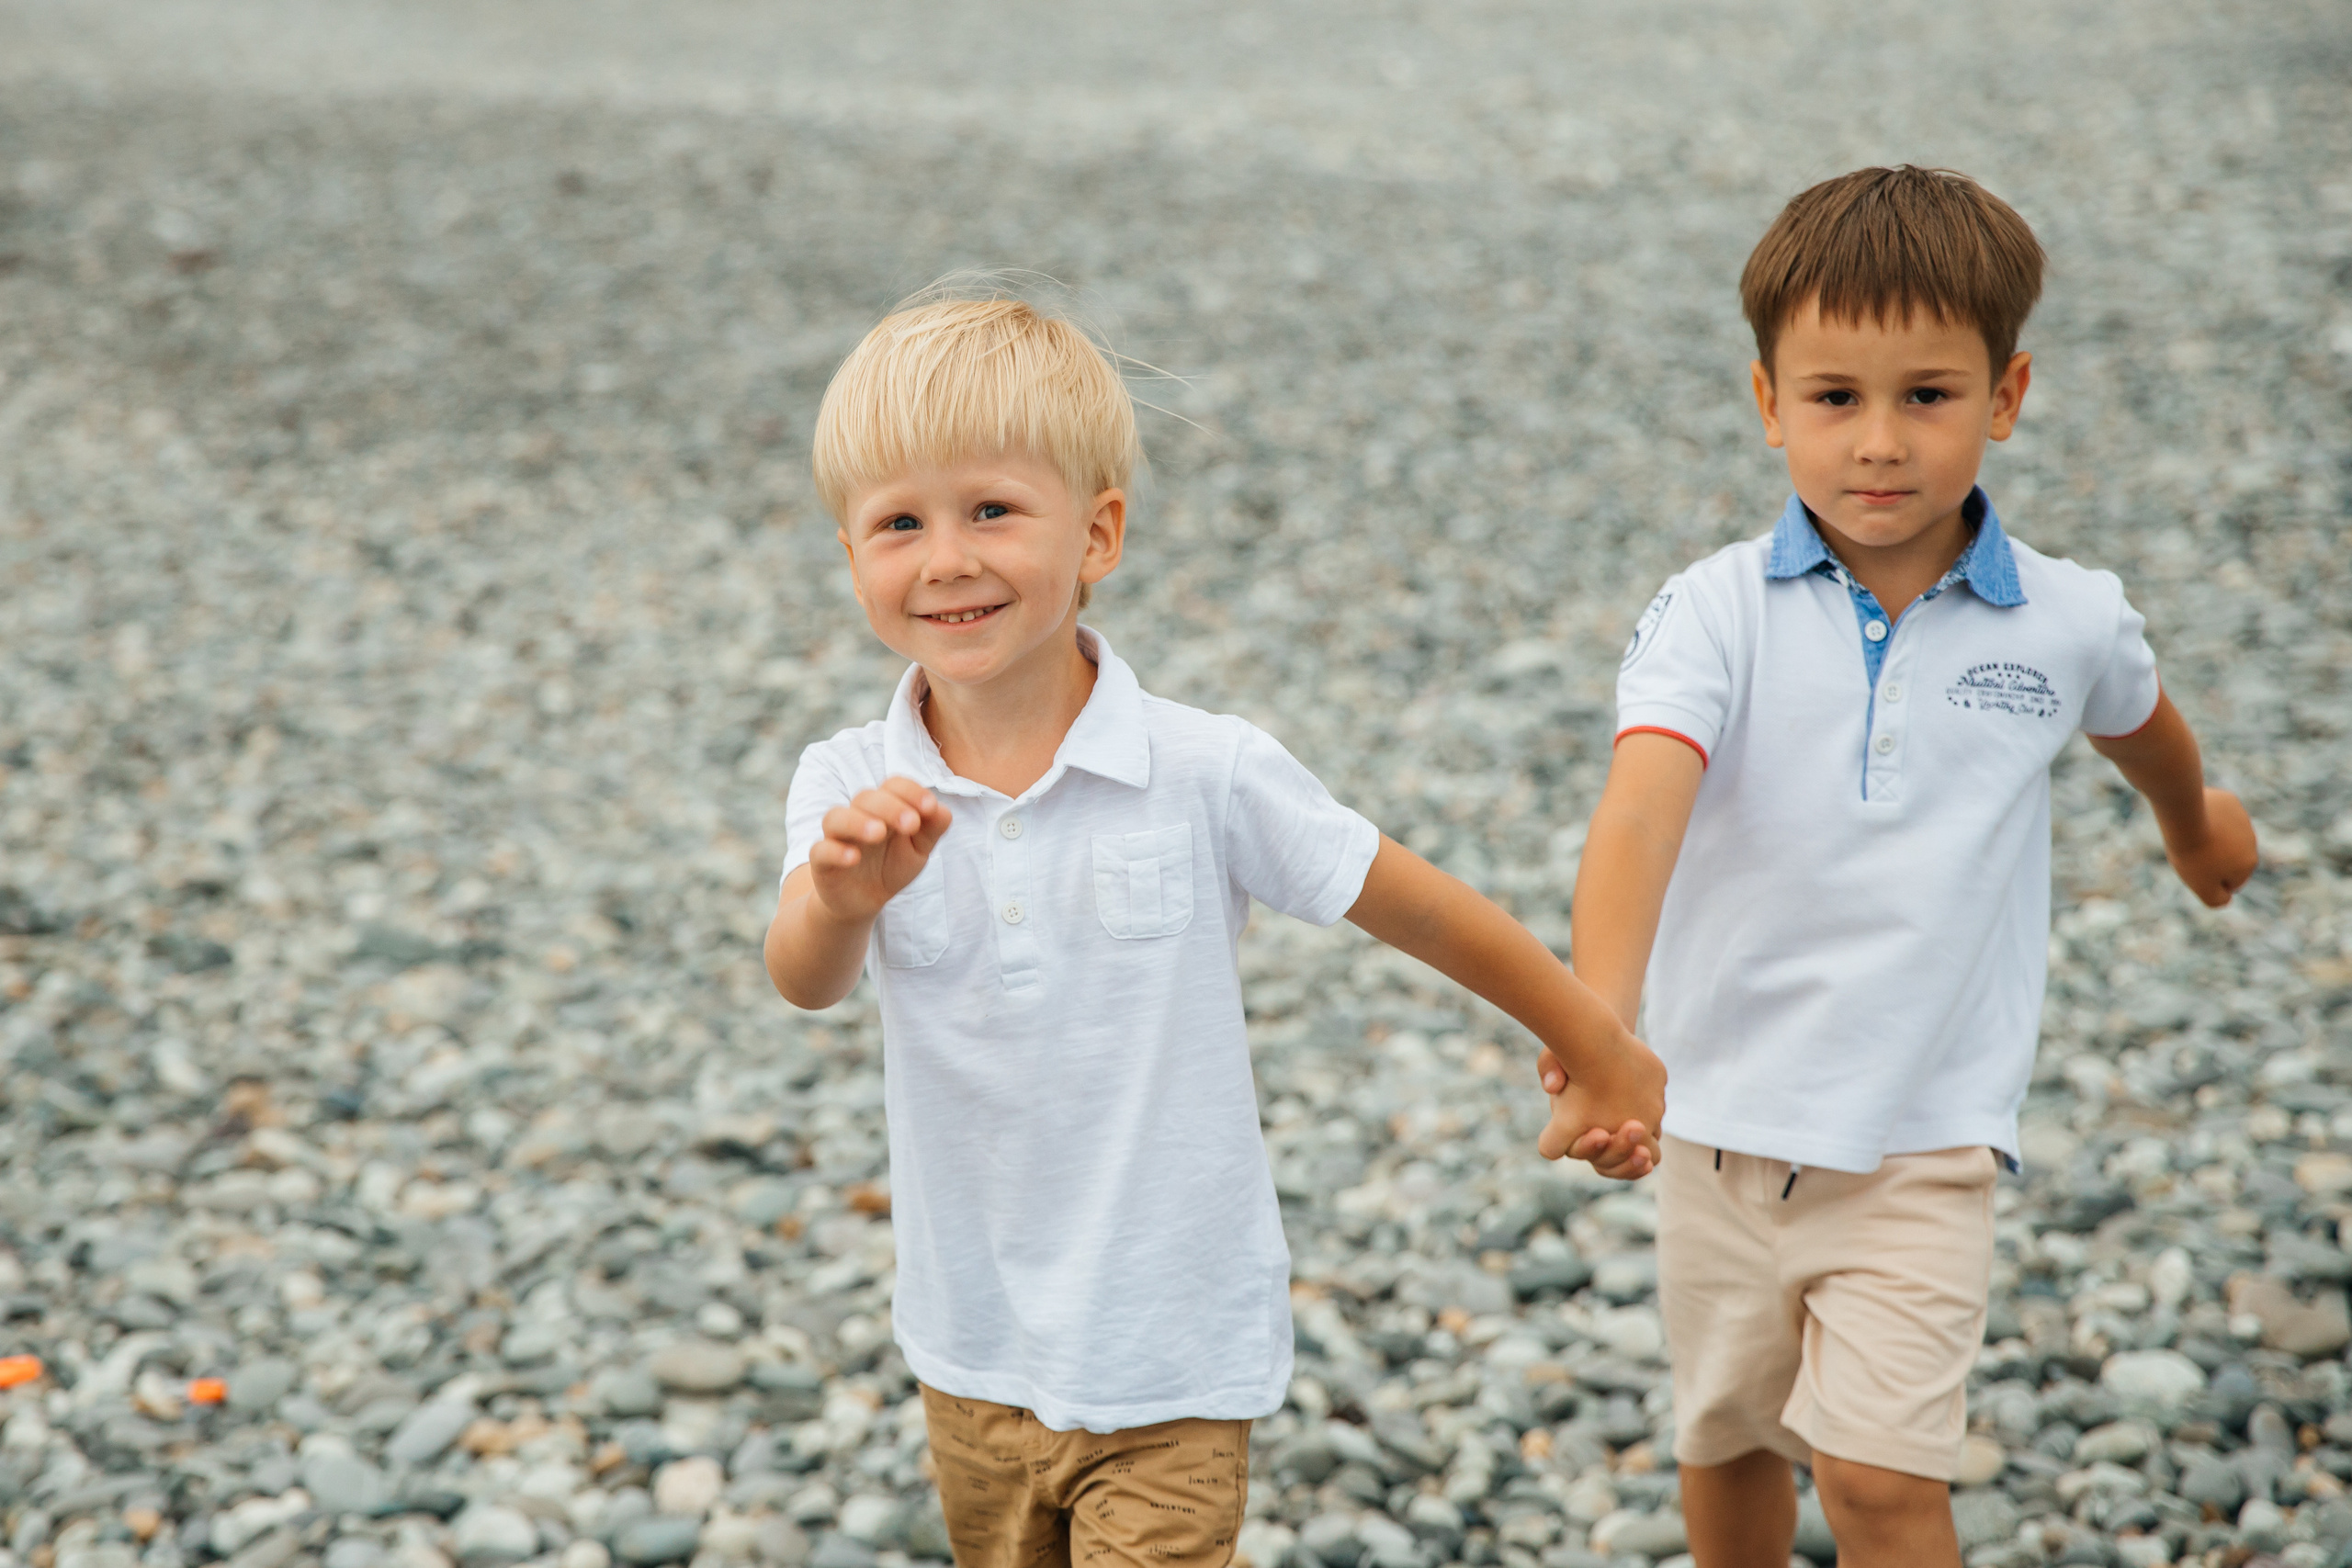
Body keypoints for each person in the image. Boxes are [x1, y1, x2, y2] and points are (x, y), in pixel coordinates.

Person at [763, 281, 1667, 1568]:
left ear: (1100, 533)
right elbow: (802, 976)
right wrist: (841, 898)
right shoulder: (850, 780)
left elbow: (1415, 906)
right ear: (851, 556)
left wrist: (1600, 1043)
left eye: (994, 512)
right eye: (898, 521)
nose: (948, 557)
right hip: (971, 1348)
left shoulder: (1206, 770)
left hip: (1172, 1358)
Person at [1539, 167, 2259, 1567]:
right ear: (1767, 403)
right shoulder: (1714, 614)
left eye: (1927, 396)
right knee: (1727, 1434)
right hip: (1715, 1124)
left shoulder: (2066, 619)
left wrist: (2196, 825)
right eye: (1833, 399)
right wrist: (1603, 1030)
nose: (1879, 443)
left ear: (2007, 394)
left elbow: (2142, 723)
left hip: (1922, 1138)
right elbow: (1640, 816)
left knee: (1877, 1481)